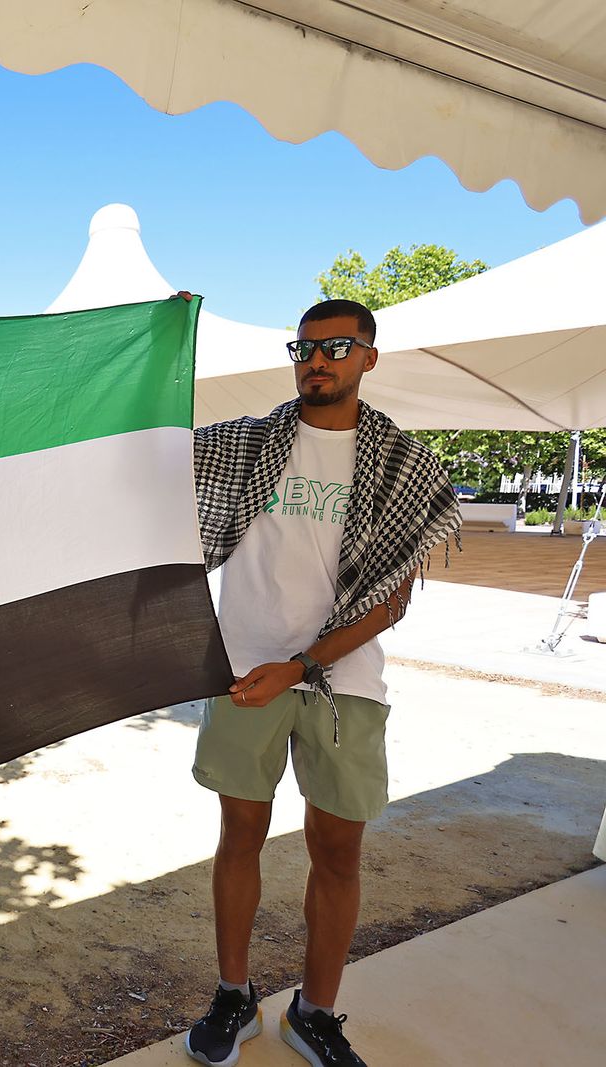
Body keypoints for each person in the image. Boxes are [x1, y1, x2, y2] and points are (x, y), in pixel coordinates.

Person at [181, 298, 460, 1067]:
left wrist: (302, 666)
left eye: (338, 347)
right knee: (240, 834)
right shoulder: (242, 445)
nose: (317, 360)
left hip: (346, 682)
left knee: (337, 849)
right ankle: (234, 995)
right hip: (243, 669)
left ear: (369, 356)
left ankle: (316, 1011)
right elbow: (149, 448)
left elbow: (393, 598)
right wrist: (161, 344)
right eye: (304, 348)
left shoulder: (406, 466)